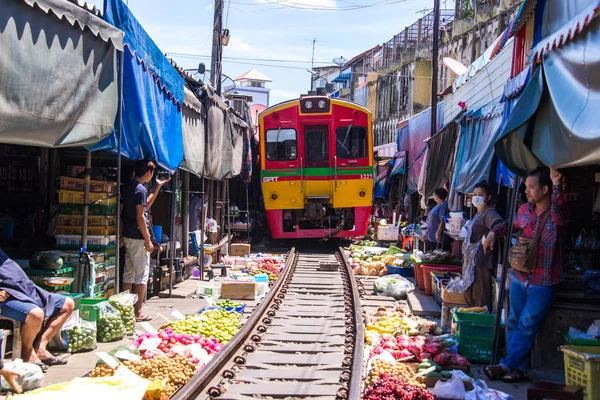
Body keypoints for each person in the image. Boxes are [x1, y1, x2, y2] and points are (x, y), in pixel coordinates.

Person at [482, 168, 569, 383]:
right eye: (526, 186)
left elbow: (561, 214)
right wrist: (494, 232)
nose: (526, 191)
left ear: (545, 189)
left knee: (527, 325)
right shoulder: (524, 210)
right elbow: (510, 224)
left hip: (544, 280)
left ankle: (505, 365)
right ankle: (518, 368)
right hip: (520, 276)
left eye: (531, 187)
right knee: (513, 321)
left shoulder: (558, 212)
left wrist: (557, 185)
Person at [0, 249, 75, 372]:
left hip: (22, 289)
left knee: (68, 304)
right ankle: (27, 352)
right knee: (36, 314)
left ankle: (41, 347)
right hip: (5, 299)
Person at [121, 160, 170, 322]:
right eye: (152, 173)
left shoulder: (129, 186)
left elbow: (145, 205)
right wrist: (148, 239)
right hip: (137, 236)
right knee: (141, 276)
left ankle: (125, 310)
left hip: (128, 235)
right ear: (148, 173)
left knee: (128, 273)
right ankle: (137, 312)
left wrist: (158, 186)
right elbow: (140, 216)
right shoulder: (140, 189)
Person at [460, 181, 503, 311]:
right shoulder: (479, 213)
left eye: (480, 194)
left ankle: (479, 323)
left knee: (480, 295)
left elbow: (499, 225)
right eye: (475, 194)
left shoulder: (489, 212)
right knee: (469, 292)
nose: (477, 197)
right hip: (472, 261)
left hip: (481, 260)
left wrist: (491, 236)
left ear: (488, 197)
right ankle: (469, 319)